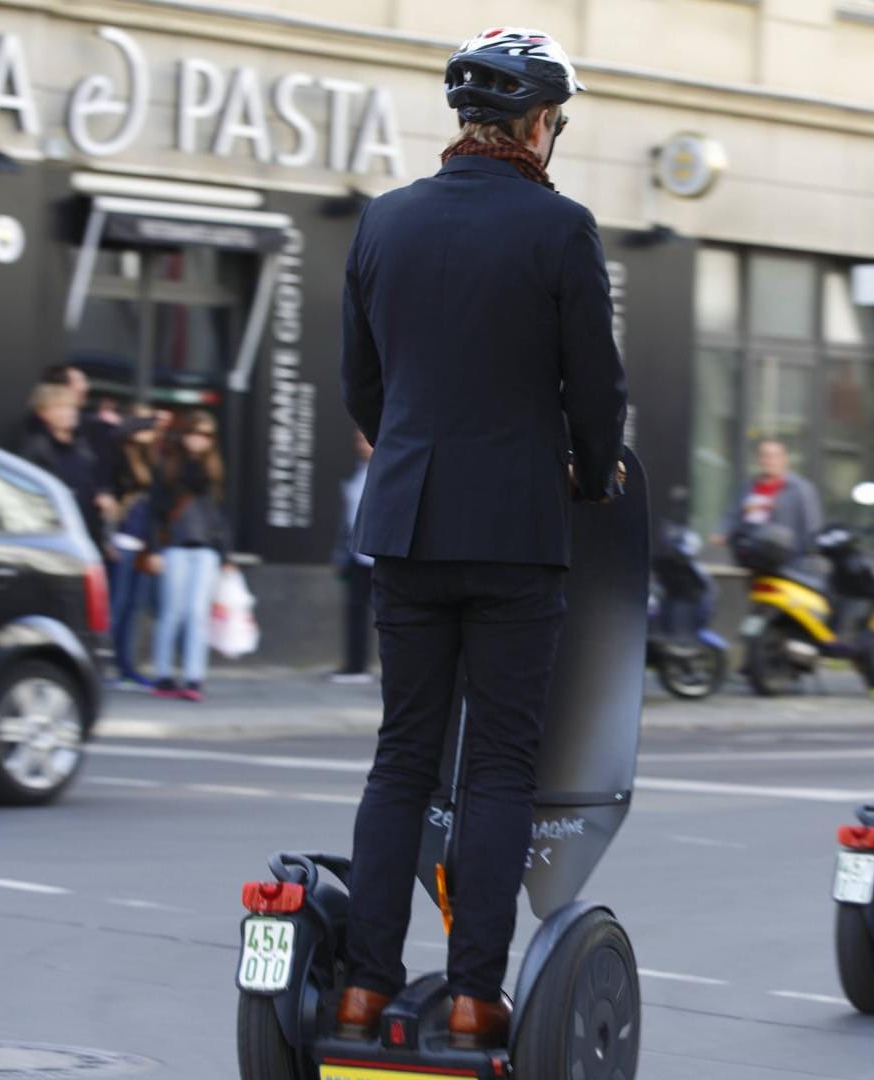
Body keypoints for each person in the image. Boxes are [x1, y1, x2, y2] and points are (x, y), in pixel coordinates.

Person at [334, 26, 627, 1051]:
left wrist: (410, 447)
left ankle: (365, 988)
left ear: (465, 121)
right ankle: (473, 996)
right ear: (540, 123)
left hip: (407, 525)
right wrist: (593, 474)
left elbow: (360, 383)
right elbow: (597, 387)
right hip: (515, 534)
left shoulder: (386, 222)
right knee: (500, 765)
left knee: (402, 756)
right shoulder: (561, 228)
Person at [145, 410, 230, 702]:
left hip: (205, 549)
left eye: (207, 435)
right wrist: (154, 549)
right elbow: (155, 513)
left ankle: (194, 678)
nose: (200, 439)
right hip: (175, 546)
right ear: (185, 433)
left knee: (196, 615)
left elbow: (219, 516)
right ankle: (164, 674)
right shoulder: (168, 466)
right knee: (172, 613)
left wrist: (226, 555)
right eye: (196, 432)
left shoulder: (215, 469)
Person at [108, 405, 162, 690]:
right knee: (115, 608)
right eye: (148, 428)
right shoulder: (116, 455)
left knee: (132, 609)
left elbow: (154, 509)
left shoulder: (150, 460)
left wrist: (153, 548)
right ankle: (108, 666)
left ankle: (126, 667)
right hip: (120, 540)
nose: (153, 433)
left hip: (141, 544)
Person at [20, 384, 107, 553]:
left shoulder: (83, 448)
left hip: (87, 538)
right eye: (60, 407)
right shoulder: (36, 450)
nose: (69, 413)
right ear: (43, 413)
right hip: (55, 541)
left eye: (71, 407)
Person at [713, 439, 823, 559]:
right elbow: (732, 514)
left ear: (784, 459)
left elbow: (811, 526)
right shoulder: (748, 486)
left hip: (786, 559)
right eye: (764, 456)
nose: (768, 461)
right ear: (758, 459)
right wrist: (722, 533)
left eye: (774, 456)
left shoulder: (800, 489)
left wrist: (812, 554)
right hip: (751, 556)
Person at [329, 429, 376, 685]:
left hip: (380, 557)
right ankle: (355, 665)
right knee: (354, 611)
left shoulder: (386, 471)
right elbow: (346, 520)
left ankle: (365, 666)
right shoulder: (357, 473)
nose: (362, 445)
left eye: (366, 439)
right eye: (358, 440)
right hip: (356, 555)